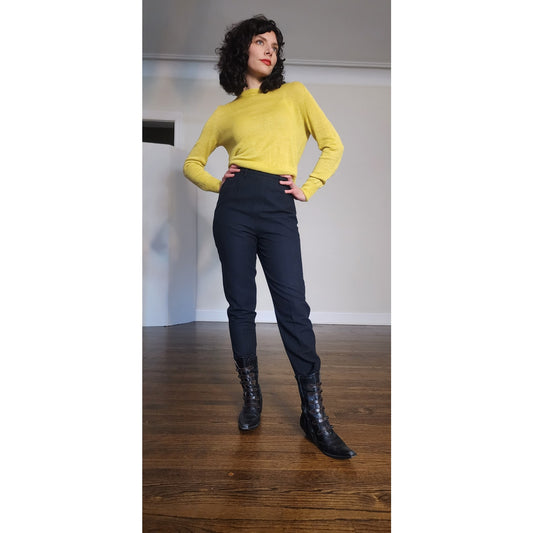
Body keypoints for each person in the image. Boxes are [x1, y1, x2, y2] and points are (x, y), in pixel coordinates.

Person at [183, 15, 355, 460]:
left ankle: (313, 414)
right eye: (261, 42)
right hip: (234, 210)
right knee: (241, 305)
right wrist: (219, 184)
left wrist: (309, 186)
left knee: (293, 308)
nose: (269, 51)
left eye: (275, 47)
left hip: (278, 208)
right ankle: (252, 397)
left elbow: (333, 144)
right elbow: (192, 163)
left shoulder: (295, 95)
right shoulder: (225, 114)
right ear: (242, 48)